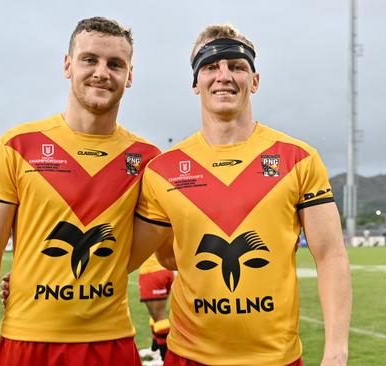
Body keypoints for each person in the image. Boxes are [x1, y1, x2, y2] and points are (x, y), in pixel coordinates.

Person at [128, 24, 352, 365]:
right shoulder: (163, 170)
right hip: (189, 356)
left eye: (236, 66)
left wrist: (336, 353)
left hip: (275, 358)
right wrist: (29, 275)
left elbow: (331, 255)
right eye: (210, 67)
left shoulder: (298, 158)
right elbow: (141, 257)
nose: (224, 75)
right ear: (195, 83)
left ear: (255, 80)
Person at [0, 17, 160, 366]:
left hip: (110, 344)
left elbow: (137, 255)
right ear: (67, 65)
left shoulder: (147, 160)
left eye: (115, 64)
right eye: (89, 59)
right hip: (26, 342)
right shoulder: (18, 145)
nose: (101, 72)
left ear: (130, 76)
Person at [138, 254, 174, 360]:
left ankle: (164, 359)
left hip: (152, 271)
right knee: (156, 315)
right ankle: (155, 349)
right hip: (165, 270)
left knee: (159, 317)